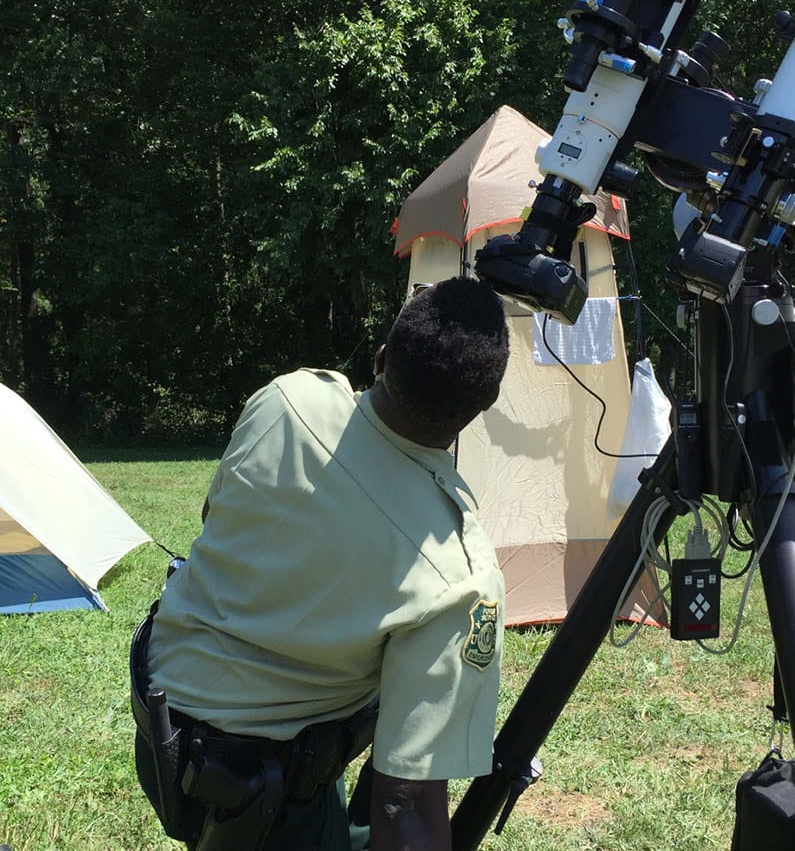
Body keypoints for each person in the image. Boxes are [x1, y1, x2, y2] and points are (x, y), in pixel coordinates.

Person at [130, 277, 510, 851]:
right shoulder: (458, 575)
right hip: (266, 800)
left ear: (382, 358)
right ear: (484, 406)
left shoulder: (286, 399)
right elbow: (406, 802)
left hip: (160, 727)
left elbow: (217, 515)